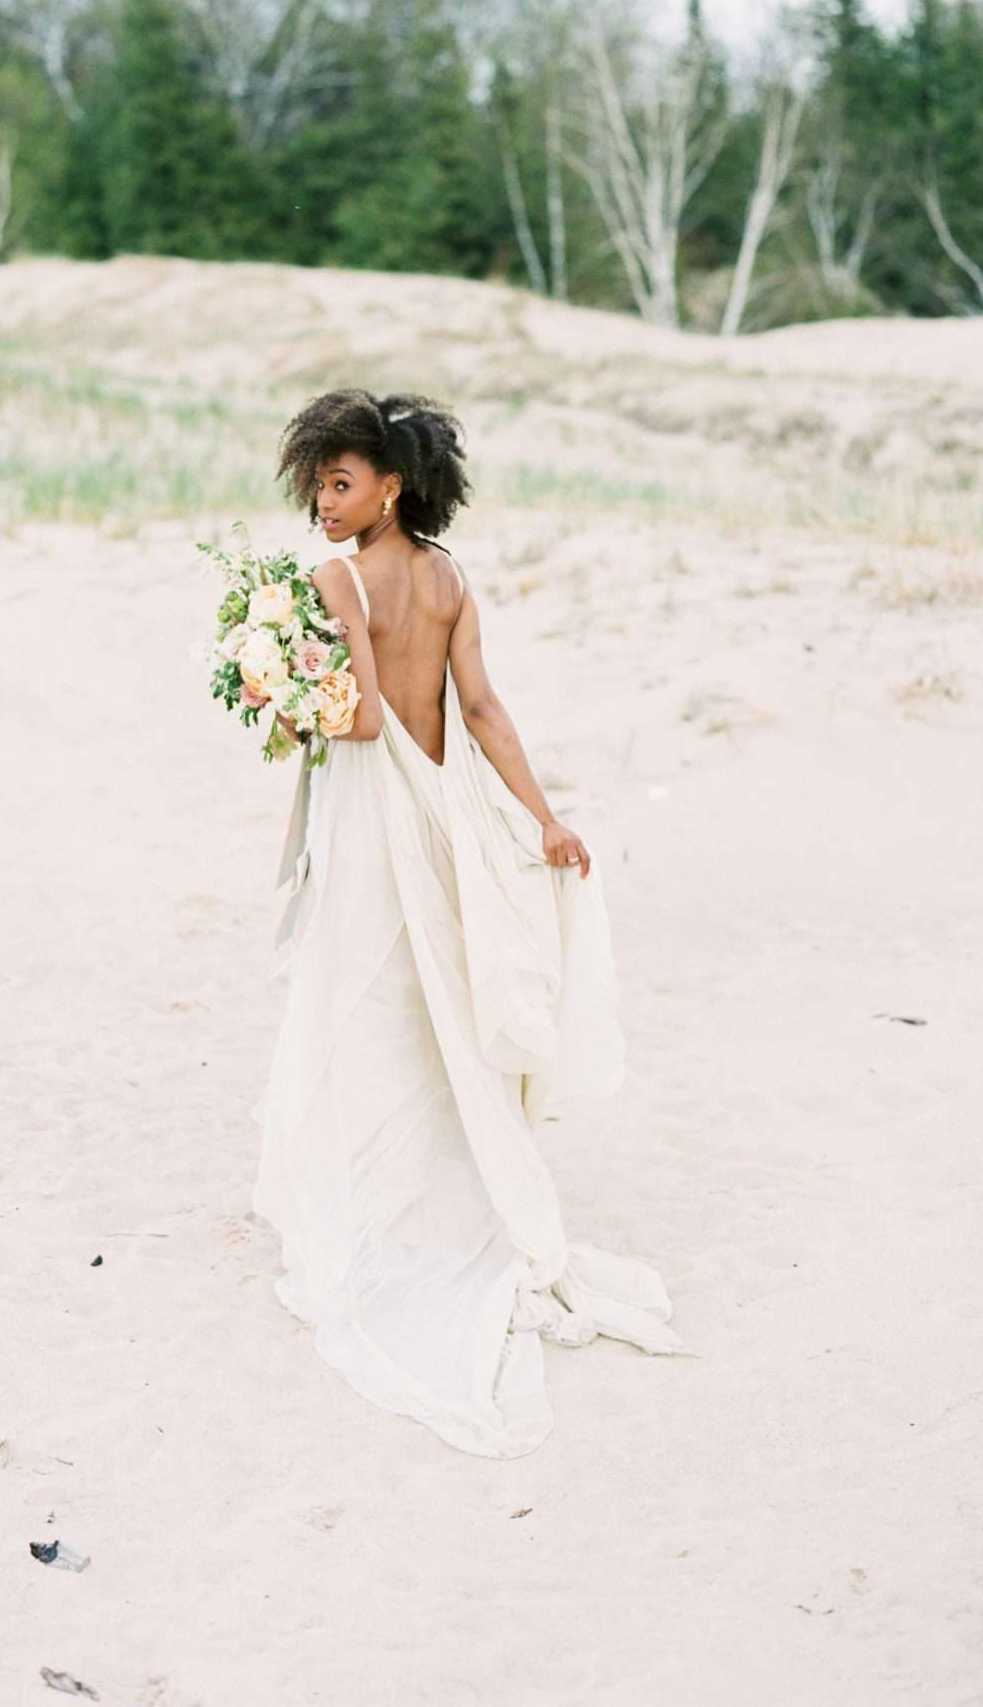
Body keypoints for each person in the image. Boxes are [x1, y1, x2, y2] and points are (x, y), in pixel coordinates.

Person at [251, 388, 691, 1459]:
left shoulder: (337, 578)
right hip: (443, 816)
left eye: (341, 481)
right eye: (317, 482)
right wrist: (545, 817)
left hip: (374, 825)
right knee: (429, 1010)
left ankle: (378, 1218)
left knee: (365, 1010)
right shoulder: (448, 580)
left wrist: (278, 687)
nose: (324, 499)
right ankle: (438, 1201)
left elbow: (355, 718)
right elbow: (481, 709)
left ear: (391, 486)